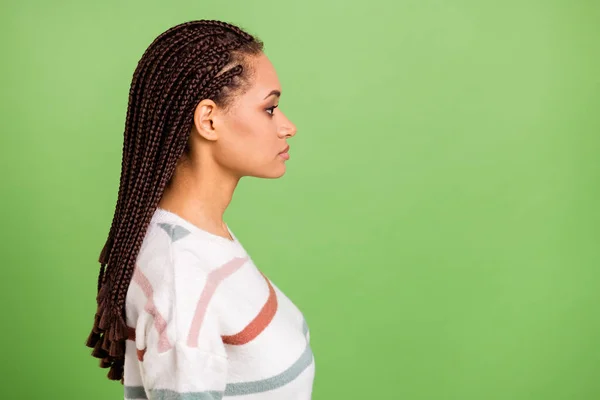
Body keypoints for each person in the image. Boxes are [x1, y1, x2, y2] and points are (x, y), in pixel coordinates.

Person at [85, 19, 315, 399]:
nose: (288, 127)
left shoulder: (200, 239)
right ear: (208, 120)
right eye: (270, 109)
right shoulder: (182, 277)